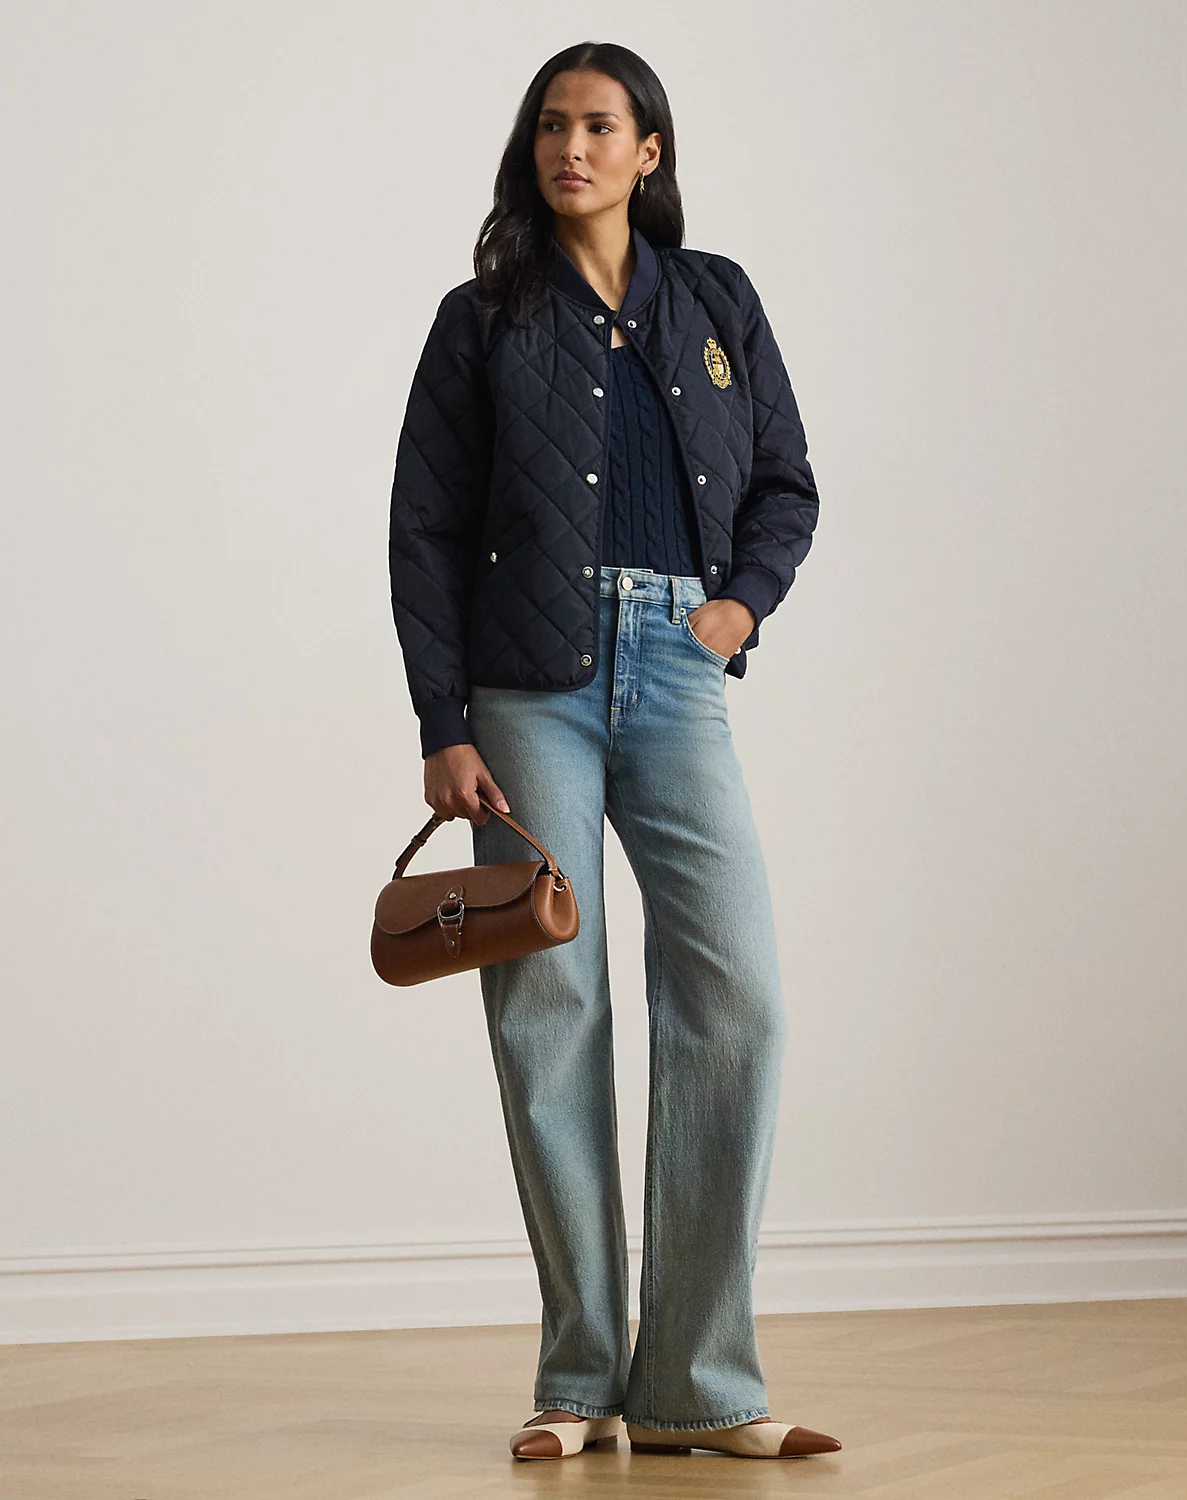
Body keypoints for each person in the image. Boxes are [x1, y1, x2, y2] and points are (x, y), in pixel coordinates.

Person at [388, 40, 842, 1464]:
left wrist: (736, 607)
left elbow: (786, 481)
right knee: (550, 1004)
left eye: (597, 126)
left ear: (650, 149)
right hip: (526, 688)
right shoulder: (482, 319)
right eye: (550, 125)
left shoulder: (717, 301)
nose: (568, 148)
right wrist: (445, 723)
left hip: (679, 665)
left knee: (737, 994)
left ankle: (700, 1384)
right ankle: (580, 1376)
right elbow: (424, 530)